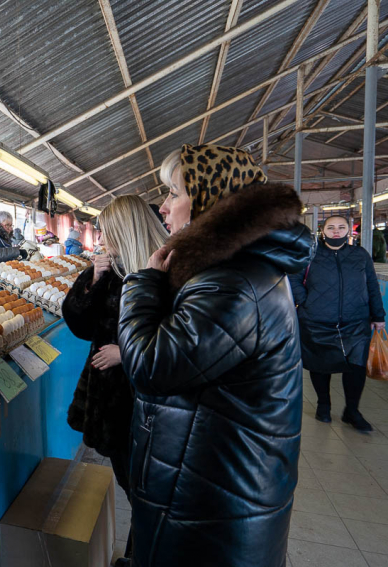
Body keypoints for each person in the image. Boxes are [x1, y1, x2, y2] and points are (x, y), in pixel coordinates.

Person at [118, 144, 313, 567]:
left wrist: (142, 284)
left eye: (174, 193)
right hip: (213, 493)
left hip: (212, 512)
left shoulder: (232, 285)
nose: (164, 207)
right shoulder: (237, 270)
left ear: (211, 199)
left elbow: (150, 366)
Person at [62, 195, 168, 567]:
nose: (102, 238)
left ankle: (142, 555)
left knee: (147, 492)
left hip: (145, 401)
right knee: (132, 484)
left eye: (107, 230)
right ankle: (138, 554)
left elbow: (178, 338)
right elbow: (77, 322)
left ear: (126, 229)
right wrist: (92, 278)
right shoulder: (111, 271)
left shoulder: (164, 269)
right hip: (111, 400)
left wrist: (126, 353)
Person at [290, 216, 385, 431]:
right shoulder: (310, 253)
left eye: (341, 227)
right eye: (331, 227)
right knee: (320, 365)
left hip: (356, 321)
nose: (336, 231)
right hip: (317, 320)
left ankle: (352, 411)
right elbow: (293, 279)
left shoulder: (360, 255)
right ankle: (323, 405)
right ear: (323, 231)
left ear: (348, 231)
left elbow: (371, 285)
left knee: (356, 367)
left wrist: (378, 316)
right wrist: (306, 302)